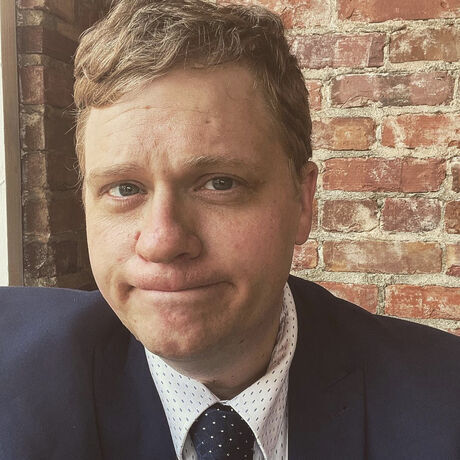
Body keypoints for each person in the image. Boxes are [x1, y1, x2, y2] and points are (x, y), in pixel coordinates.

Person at [1, 0, 459, 459]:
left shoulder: (443, 401)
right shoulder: (19, 387)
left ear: (302, 202)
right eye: (124, 189)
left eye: (220, 183)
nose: (162, 241)